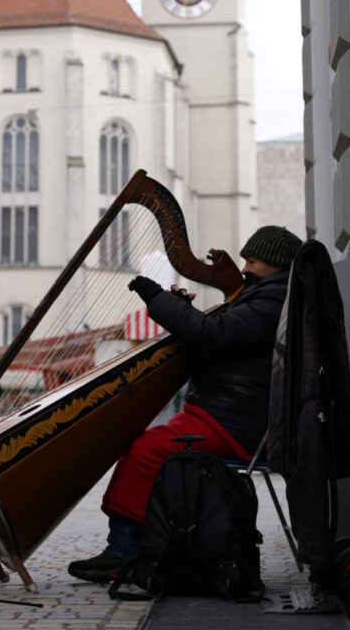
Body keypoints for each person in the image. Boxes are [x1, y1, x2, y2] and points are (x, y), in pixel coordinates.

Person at [68, 224, 302, 584]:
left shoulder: (274, 302)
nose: (244, 269)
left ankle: (124, 552)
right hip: (221, 413)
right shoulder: (263, 296)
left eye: (252, 261)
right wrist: (181, 311)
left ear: (275, 264)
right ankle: (129, 545)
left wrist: (157, 299)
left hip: (237, 425)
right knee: (137, 442)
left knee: (147, 449)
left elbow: (216, 335)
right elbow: (223, 336)